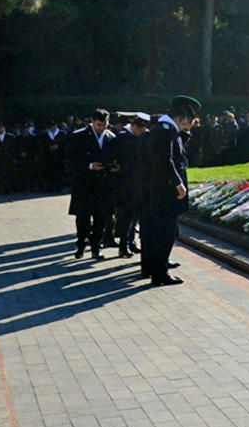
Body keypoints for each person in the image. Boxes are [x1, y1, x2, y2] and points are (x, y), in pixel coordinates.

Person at [139, 95, 199, 286]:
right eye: (188, 122)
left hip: (160, 191)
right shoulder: (165, 131)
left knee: (161, 232)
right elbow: (166, 161)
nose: (188, 126)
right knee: (165, 232)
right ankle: (160, 273)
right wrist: (178, 183)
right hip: (165, 193)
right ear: (181, 119)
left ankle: (154, 267)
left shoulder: (165, 130)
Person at [67, 108, 116, 259]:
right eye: (99, 124)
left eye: (105, 124)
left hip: (103, 184)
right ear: (92, 122)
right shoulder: (79, 136)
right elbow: (70, 161)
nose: (102, 128)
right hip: (84, 184)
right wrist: (88, 166)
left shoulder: (111, 137)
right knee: (83, 218)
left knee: (101, 218)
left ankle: (96, 246)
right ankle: (81, 245)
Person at [110, 113, 148, 258]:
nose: (142, 133)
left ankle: (131, 242)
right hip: (124, 184)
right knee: (125, 217)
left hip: (137, 183)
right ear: (135, 126)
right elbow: (113, 159)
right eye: (141, 129)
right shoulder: (121, 138)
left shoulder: (139, 137)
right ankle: (123, 245)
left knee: (134, 215)